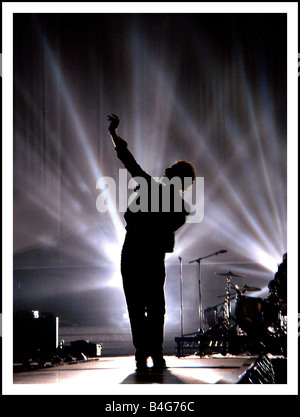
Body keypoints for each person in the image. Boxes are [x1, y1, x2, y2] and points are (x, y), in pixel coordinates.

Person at [107, 114, 196, 372]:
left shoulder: (153, 189)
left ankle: (144, 352)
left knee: (138, 306)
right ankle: (152, 352)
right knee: (155, 307)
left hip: (135, 252)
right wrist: (114, 137)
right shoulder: (178, 206)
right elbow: (129, 162)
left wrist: (114, 135)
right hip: (150, 255)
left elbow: (129, 162)